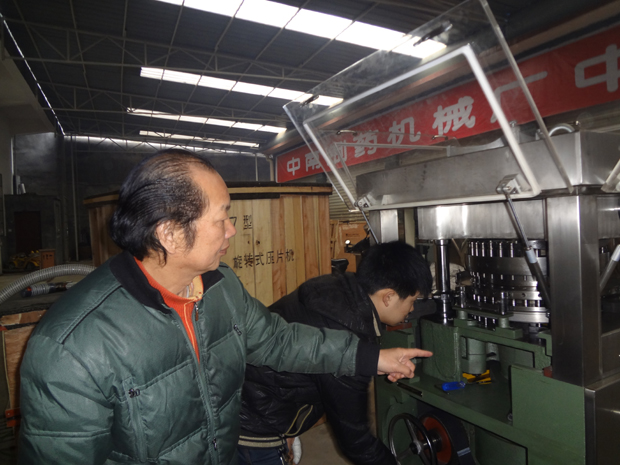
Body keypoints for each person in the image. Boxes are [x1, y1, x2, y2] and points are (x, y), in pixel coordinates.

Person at [18, 149, 432, 465]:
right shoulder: (71, 349)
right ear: (170, 234)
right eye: (222, 218)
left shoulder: (219, 288)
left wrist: (372, 357)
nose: (232, 230)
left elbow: (279, 341)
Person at [237, 241, 433, 465]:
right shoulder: (349, 338)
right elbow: (356, 442)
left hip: (244, 397)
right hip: (255, 428)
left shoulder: (334, 288)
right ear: (388, 297)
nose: (412, 309)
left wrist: (289, 429)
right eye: (411, 301)